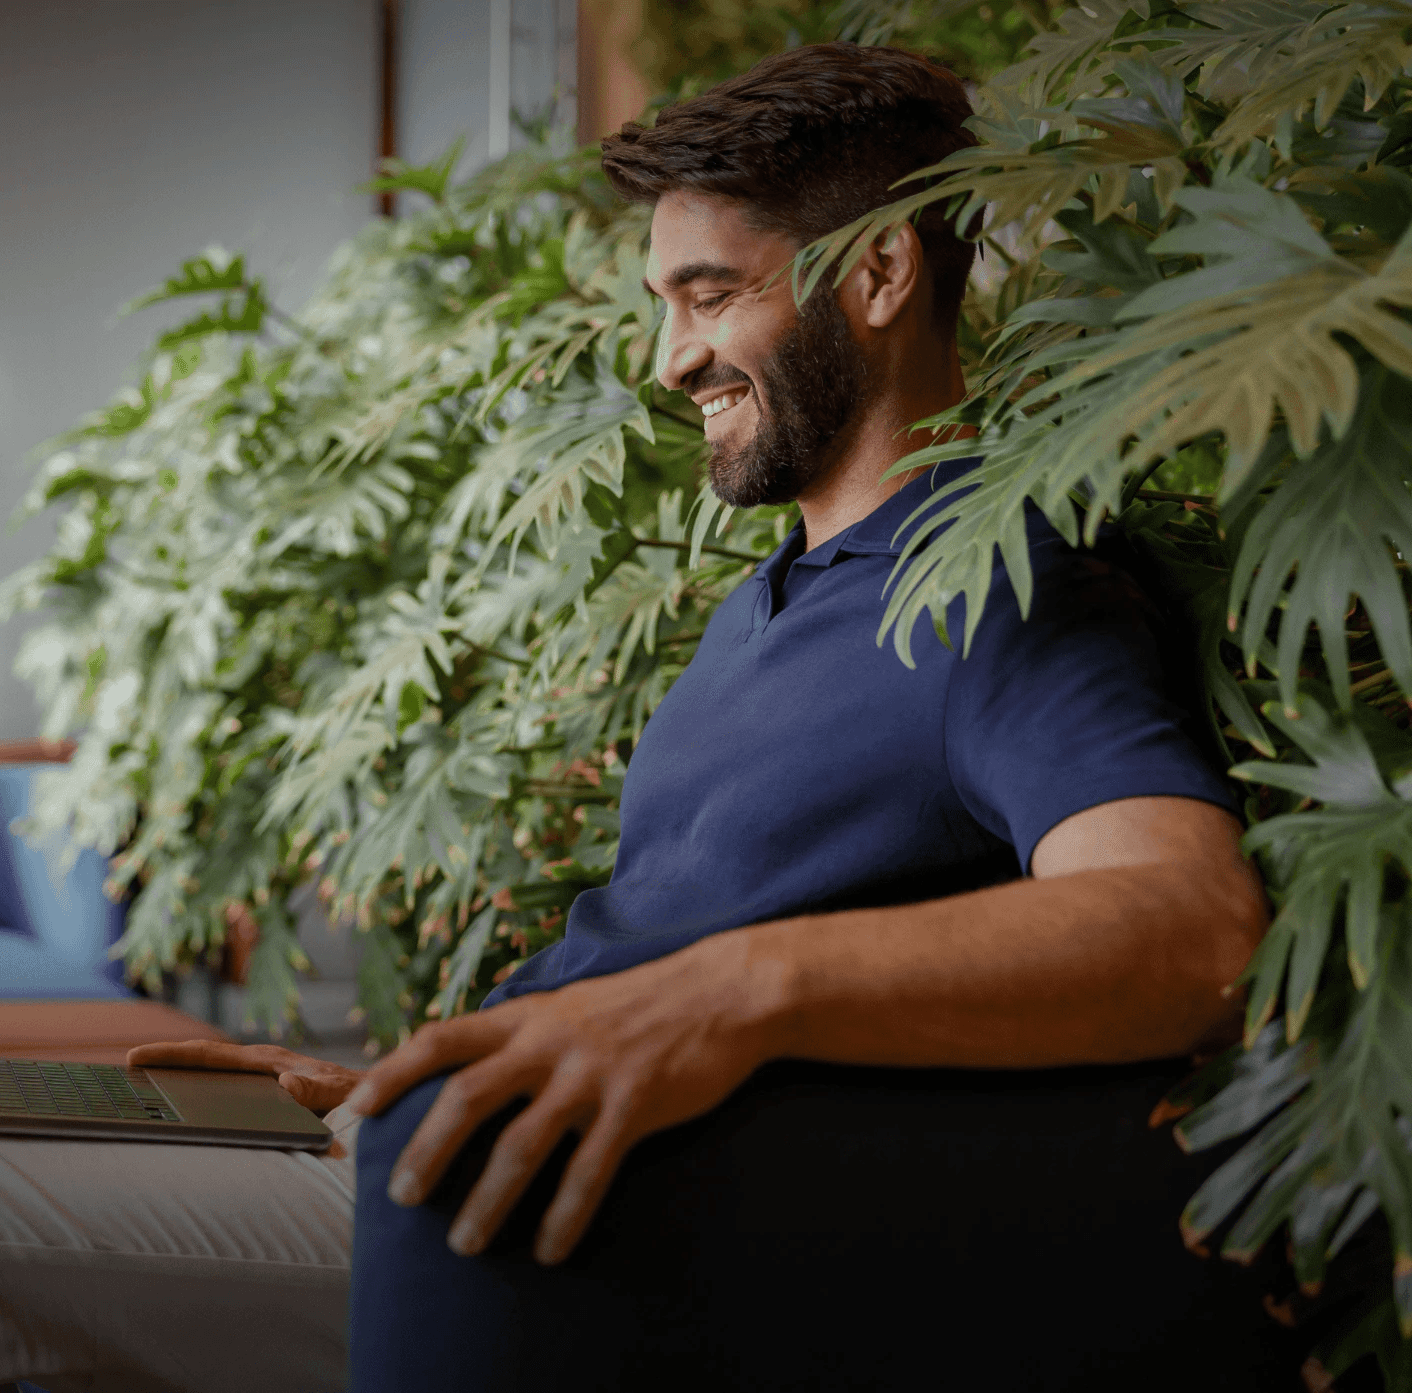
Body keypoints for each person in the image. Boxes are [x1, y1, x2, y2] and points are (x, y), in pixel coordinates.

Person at [0, 42, 1299, 1393]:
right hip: (483, 1164)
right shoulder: (769, 604)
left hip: (602, 1228)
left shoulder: (996, 589)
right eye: (662, 304)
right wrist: (435, 1066)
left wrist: (742, 992)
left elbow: (1186, 923)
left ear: (877, 275)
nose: (670, 358)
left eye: (708, 295)